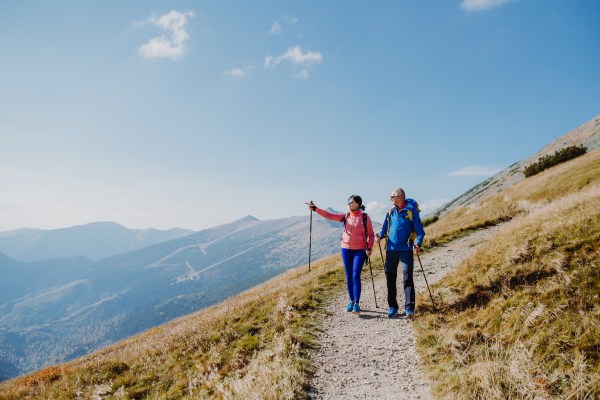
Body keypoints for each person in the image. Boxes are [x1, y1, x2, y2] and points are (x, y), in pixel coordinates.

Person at [307, 195, 374, 314]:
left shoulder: (365, 217)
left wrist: (369, 247)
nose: (348, 204)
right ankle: (351, 301)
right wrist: (315, 209)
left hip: (360, 250)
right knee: (348, 275)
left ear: (358, 203)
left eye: (351, 202)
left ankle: (357, 304)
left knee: (355, 275)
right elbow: (329, 215)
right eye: (348, 202)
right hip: (346, 248)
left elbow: (371, 234)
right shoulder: (346, 216)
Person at [375, 188, 425, 319]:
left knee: (407, 279)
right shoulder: (390, 212)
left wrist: (418, 244)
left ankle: (409, 309)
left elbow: (420, 232)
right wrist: (379, 236)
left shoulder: (411, 211)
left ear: (401, 197)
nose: (391, 198)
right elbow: (384, 229)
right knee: (390, 278)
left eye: (393, 196)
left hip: (406, 249)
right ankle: (393, 307)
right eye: (391, 196)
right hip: (391, 249)